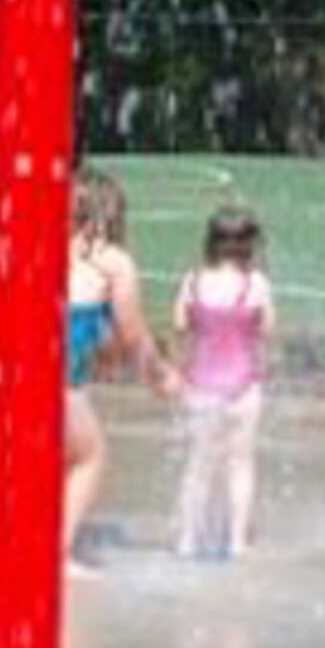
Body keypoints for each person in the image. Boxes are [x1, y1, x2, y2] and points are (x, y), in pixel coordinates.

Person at [61, 166, 178, 573]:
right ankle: (55, 553)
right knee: (89, 456)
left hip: (10, 378)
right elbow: (132, 333)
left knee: (46, 464)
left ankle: (23, 542)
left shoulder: (43, 245)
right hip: (62, 384)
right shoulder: (112, 262)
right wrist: (159, 374)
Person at [170, 205, 276, 557]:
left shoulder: (193, 281)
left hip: (202, 383)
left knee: (199, 463)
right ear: (249, 245)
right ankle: (237, 540)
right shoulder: (256, 284)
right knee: (240, 463)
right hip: (244, 385)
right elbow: (268, 329)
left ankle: (187, 538)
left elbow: (180, 325)